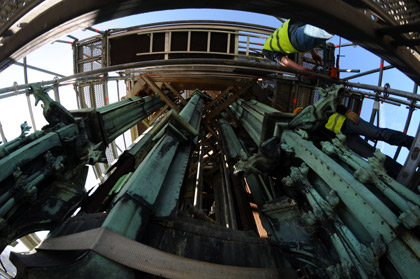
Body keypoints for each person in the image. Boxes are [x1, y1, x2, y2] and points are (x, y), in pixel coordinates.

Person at [325, 105, 414, 178]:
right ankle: (398, 172)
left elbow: (331, 104)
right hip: (344, 139)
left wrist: (347, 112)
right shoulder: (313, 126)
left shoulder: (316, 109)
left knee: (378, 133)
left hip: (348, 122)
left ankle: (410, 142)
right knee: (373, 156)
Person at [262, 19, 333, 72]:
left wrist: (301, 69)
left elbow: (284, 61)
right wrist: (314, 53)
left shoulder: (266, 52)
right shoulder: (271, 39)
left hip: (293, 39)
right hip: (294, 22)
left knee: (326, 29)